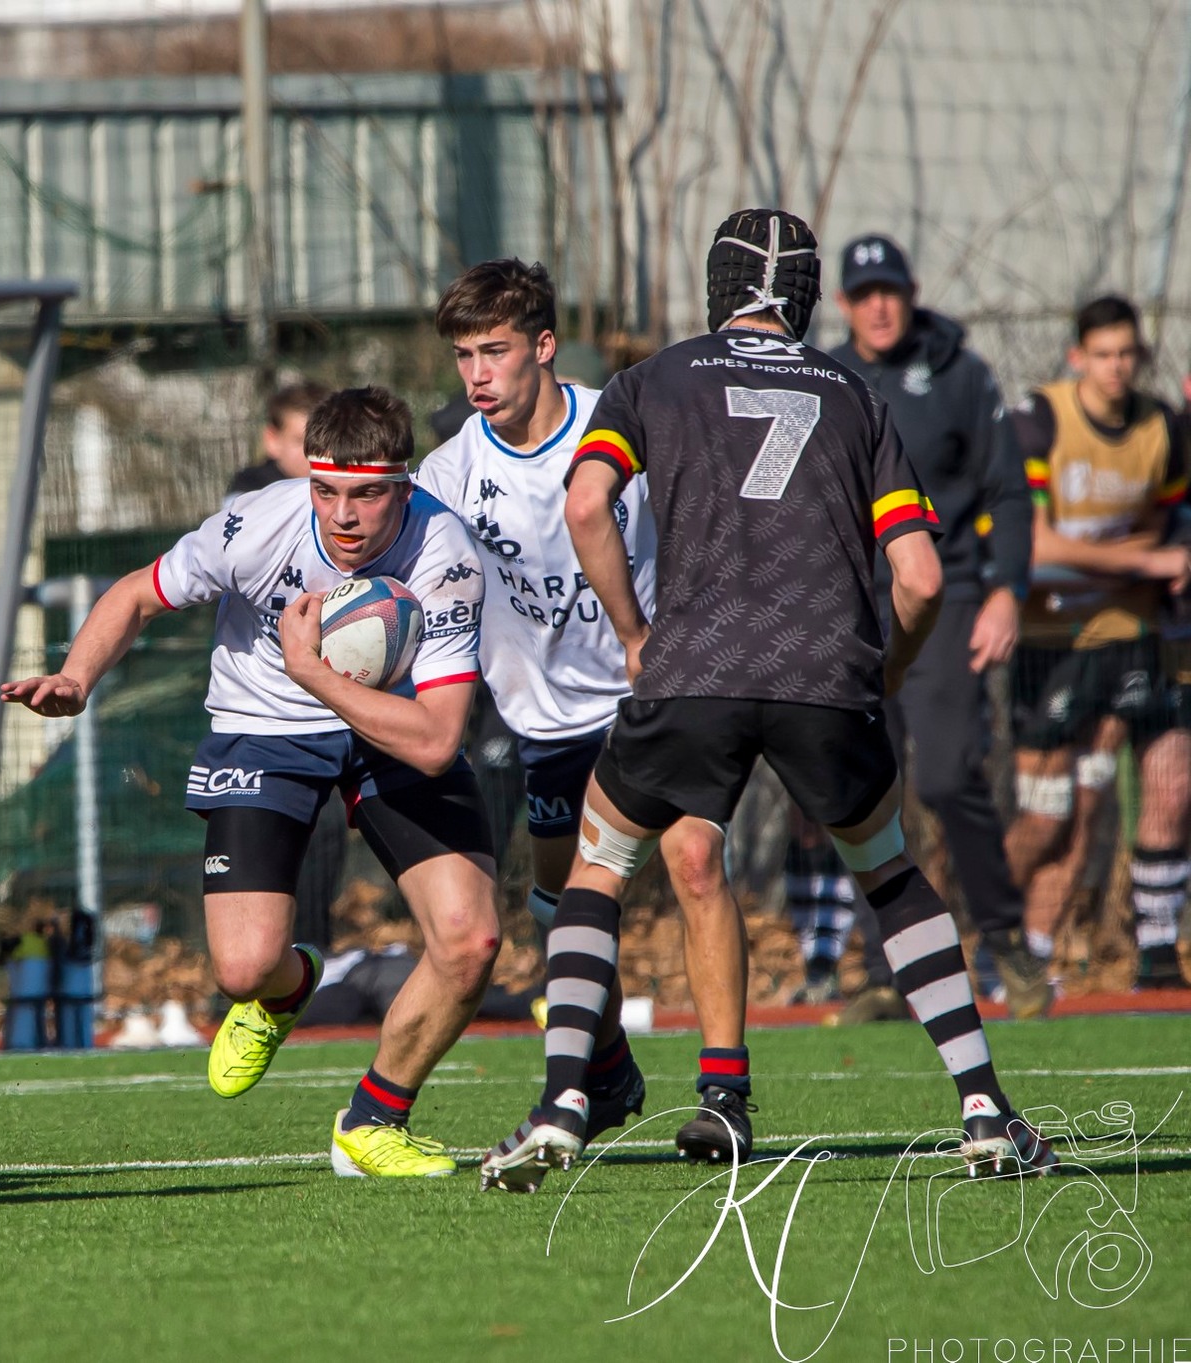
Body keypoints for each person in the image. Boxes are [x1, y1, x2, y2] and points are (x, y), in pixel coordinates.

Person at [481, 208, 1056, 1192]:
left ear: (716, 288)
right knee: (888, 875)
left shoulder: (652, 380)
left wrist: (632, 632)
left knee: (597, 867)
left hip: (692, 671)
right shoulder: (855, 393)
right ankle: (983, 1108)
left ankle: (563, 1099)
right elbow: (919, 578)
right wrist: (880, 671)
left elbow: (583, 504)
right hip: (822, 679)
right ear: (806, 297)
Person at [4, 387, 500, 1178]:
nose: (344, 516)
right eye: (326, 490)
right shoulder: (255, 525)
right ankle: (286, 988)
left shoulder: (445, 553)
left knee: (471, 941)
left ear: (404, 486)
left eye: (368, 494)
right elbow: (137, 594)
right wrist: (76, 676)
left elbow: (438, 742)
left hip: (391, 728)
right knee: (241, 969)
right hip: (265, 725)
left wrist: (314, 670)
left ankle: (374, 1119)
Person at [413, 258, 758, 1163]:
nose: (477, 374)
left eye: (494, 351)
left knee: (694, 859)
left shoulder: (627, 422)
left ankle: (725, 1094)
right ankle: (604, 1075)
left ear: (544, 346)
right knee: (559, 903)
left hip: (658, 692)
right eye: (463, 356)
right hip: (547, 724)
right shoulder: (448, 473)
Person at [797, 234, 1049, 1022]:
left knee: (944, 775)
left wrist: (1007, 592)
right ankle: (888, 972)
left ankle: (1006, 940)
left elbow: (1009, 493)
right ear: (843, 304)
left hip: (945, 598)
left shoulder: (960, 373)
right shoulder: (827, 377)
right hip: (853, 605)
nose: (879, 306)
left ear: (911, 295)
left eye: (891, 291)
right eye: (864, 293)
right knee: (867, 787)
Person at [1005, 296, 1191, 991]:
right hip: (1050, 641)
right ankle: (989, 933)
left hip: (1128, 637)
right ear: (1077, 356)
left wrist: (1113, 564)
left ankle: (1036, 960)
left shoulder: (1160, 428)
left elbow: (1168, 532)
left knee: (1096, 808)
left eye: (1126, 354)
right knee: (1046, 817)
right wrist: (1138, 561)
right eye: (1103, 354)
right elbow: (1038, 547)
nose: (1116, 367)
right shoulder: (1042, 419)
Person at [226, 381, 342, 951]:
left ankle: (316, 954)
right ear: (271, 440)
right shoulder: (251, 497)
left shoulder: (348, 503)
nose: (317, 455)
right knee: (264, 843)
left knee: (327, 834)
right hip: (264, 713)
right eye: (303, 441)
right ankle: (264, 959)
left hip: (338, 700)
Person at [226, 381, 329, 498]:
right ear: (272, 441)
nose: (314, 453)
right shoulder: (251, 488)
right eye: (300, 441)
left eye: (324, 442)